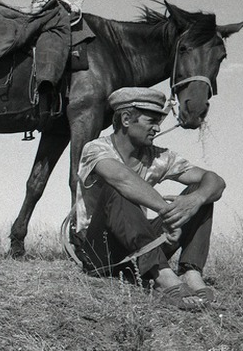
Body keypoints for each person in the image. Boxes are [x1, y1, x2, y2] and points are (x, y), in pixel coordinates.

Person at [71, 87, 225, 310]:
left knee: (201, 193)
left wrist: (196, 199)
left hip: (139, 247)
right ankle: (164, 280)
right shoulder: (95, 148)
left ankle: (191, 273)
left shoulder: (158, 156)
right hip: (99, 250)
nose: (157, 128)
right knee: (119, 187)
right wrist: (168, 213)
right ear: (126, 119)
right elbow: (122, 178)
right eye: (151, 121)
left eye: (159, 121)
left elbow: (215, 181)